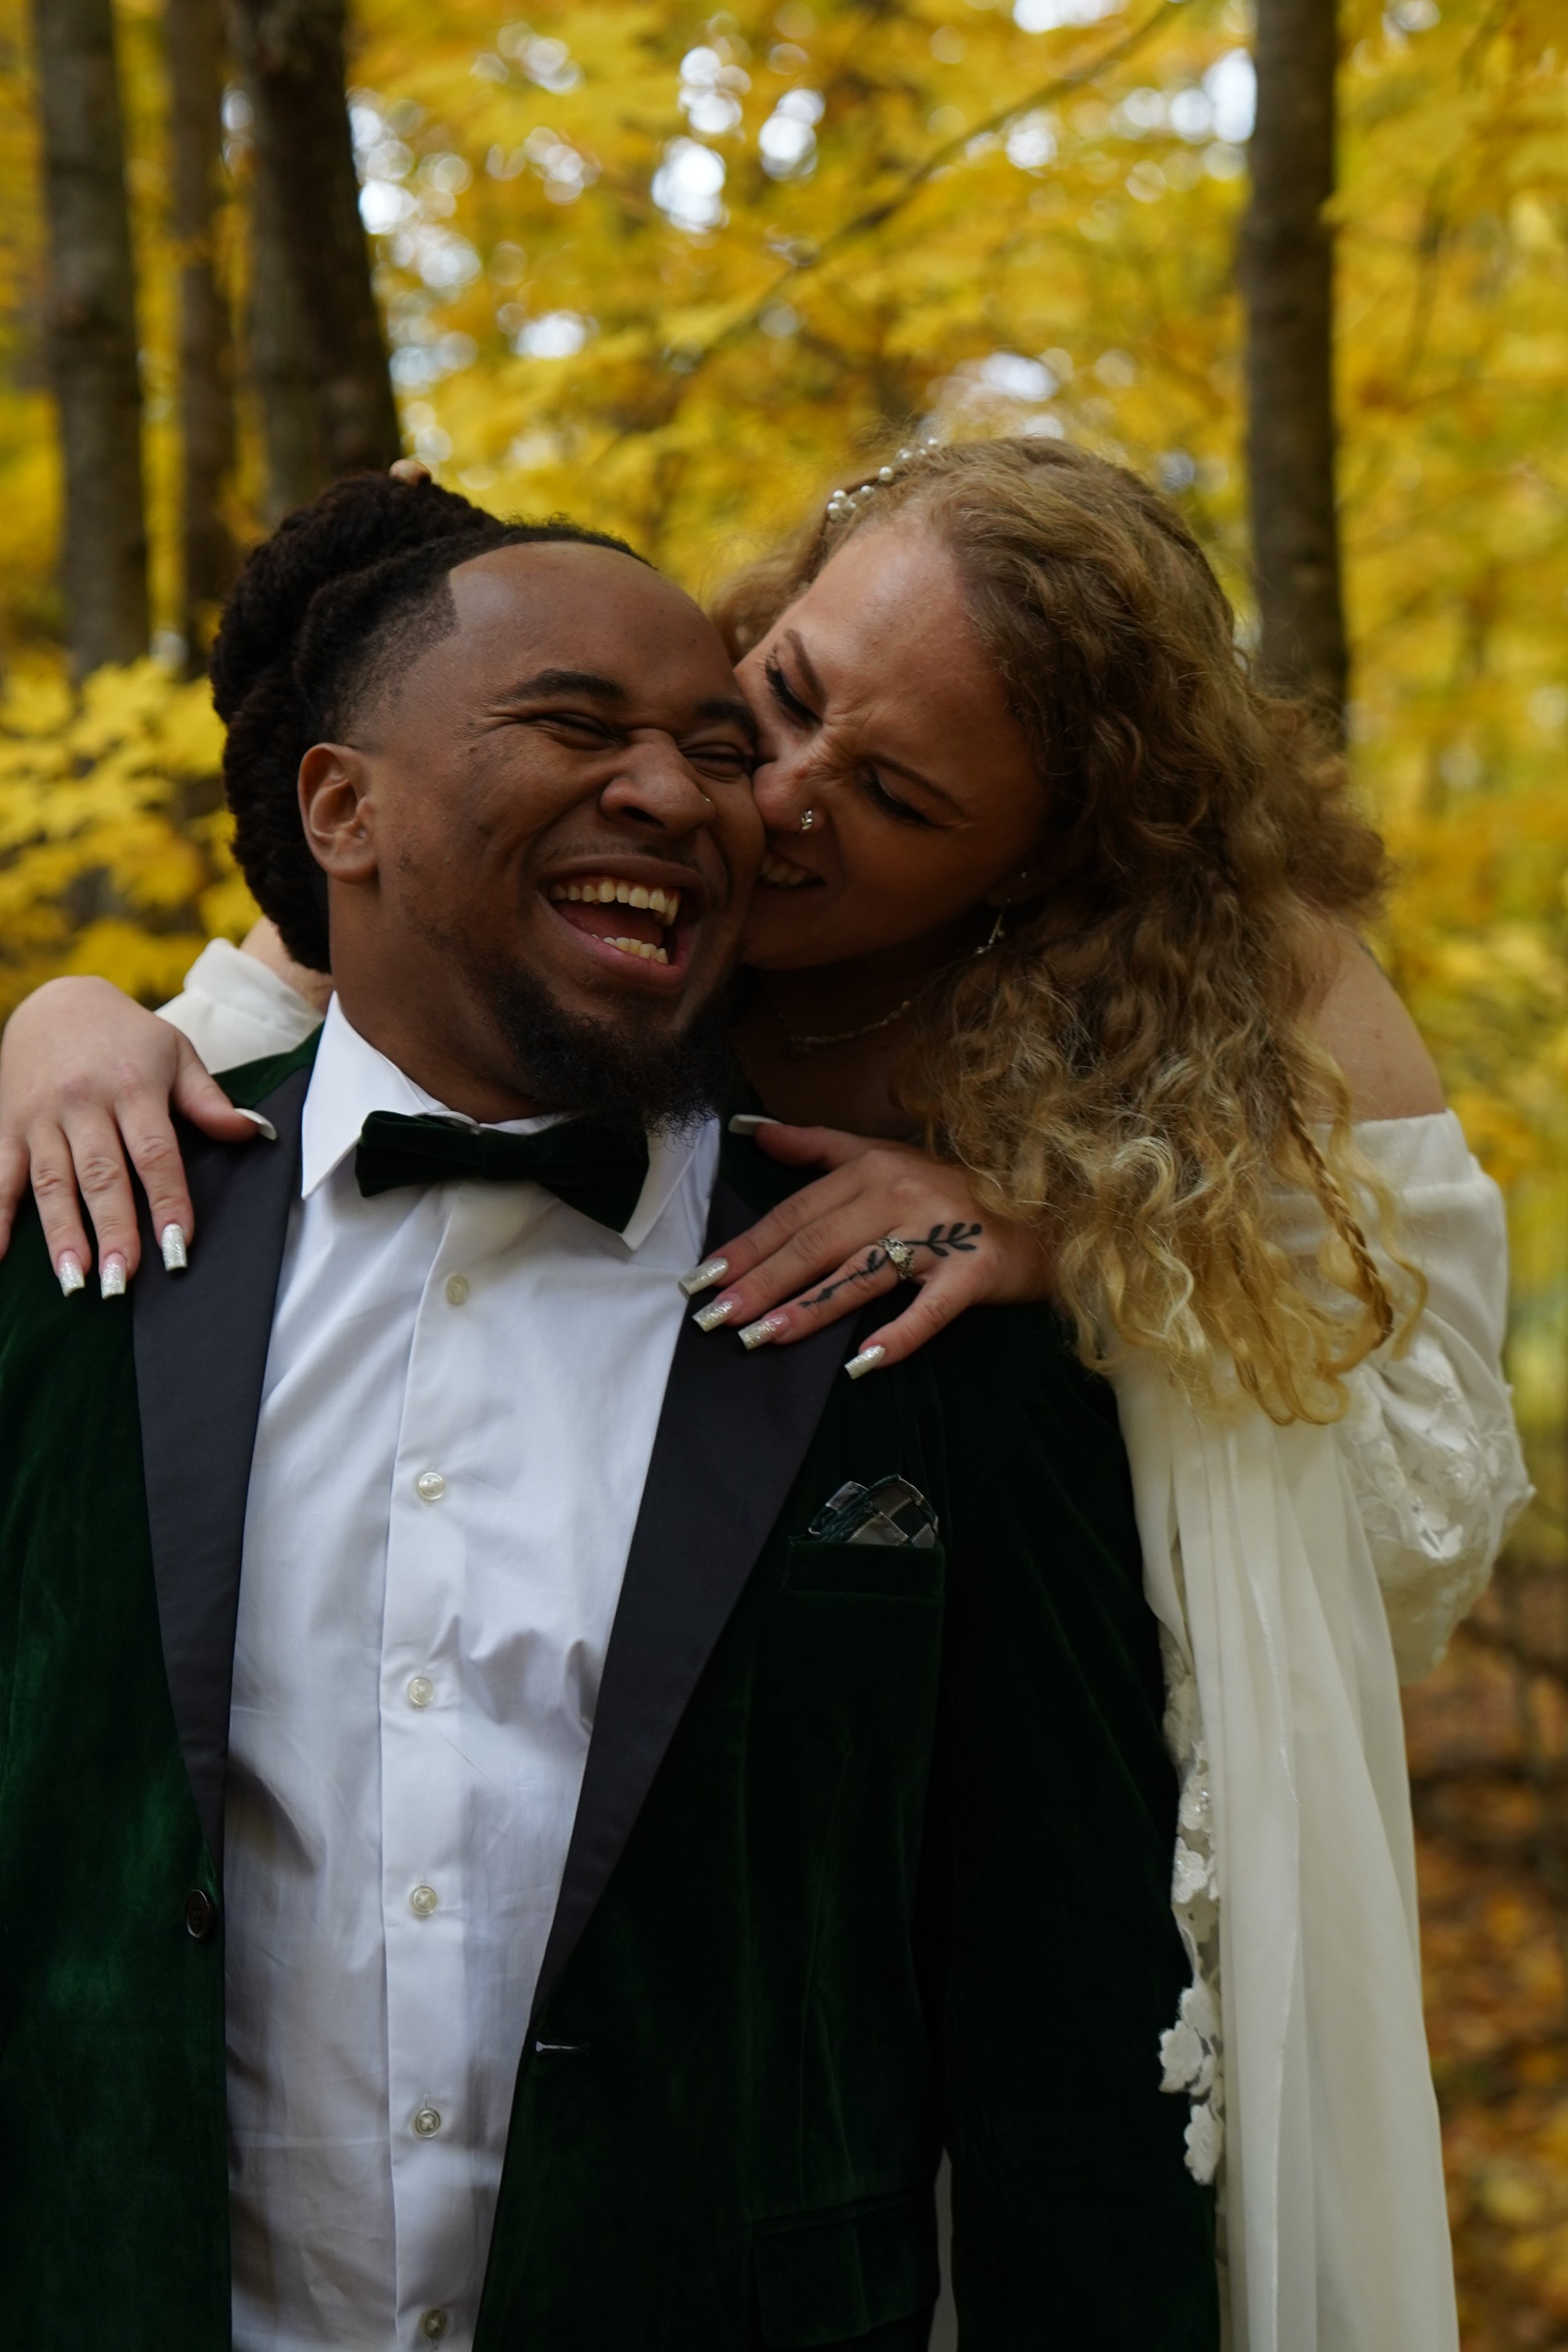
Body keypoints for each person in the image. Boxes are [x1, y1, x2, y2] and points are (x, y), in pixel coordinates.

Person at [0, 446, 1528, 2350]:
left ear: (1023, 871)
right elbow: (296, 982)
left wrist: (1087, 1254)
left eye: (894, 800)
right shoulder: (597, 809)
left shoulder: (1188, 1022)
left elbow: (1408, 1468)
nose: (779, 801)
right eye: (781, 700)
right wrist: (61, 1020)